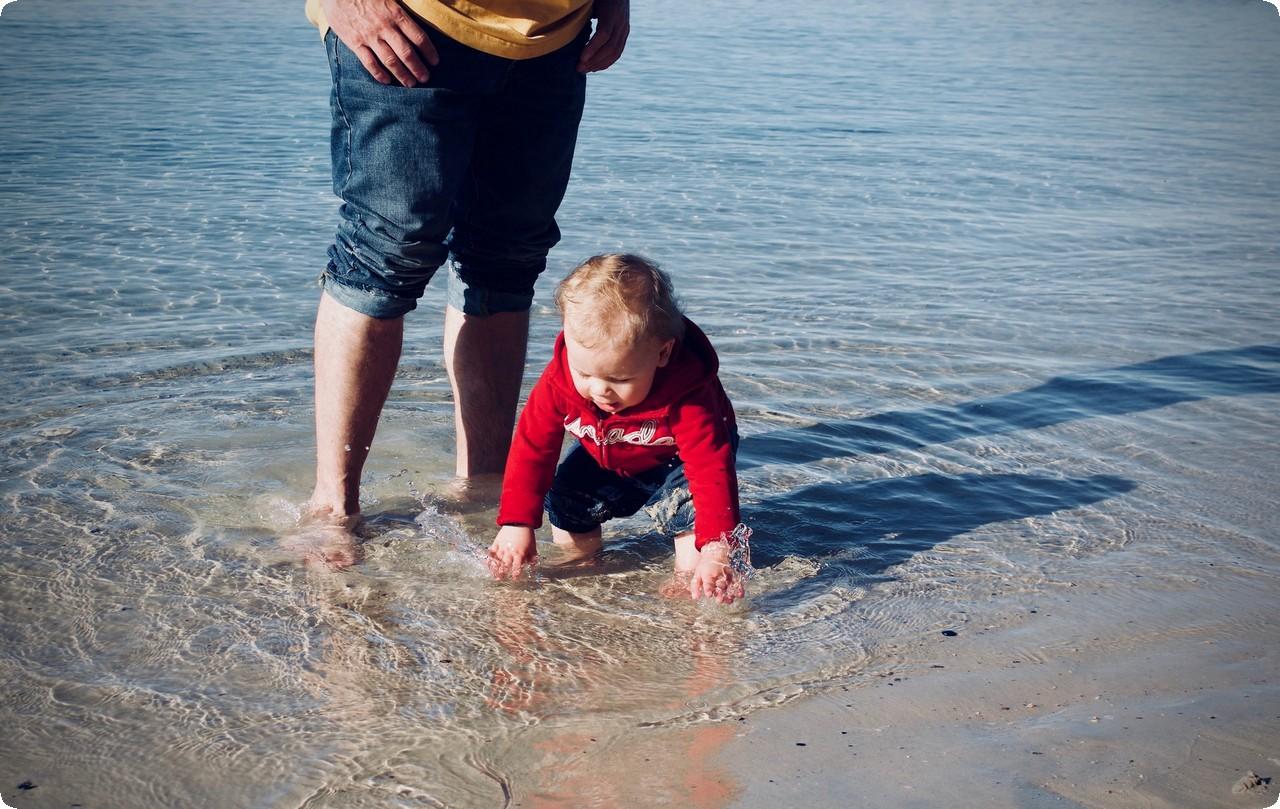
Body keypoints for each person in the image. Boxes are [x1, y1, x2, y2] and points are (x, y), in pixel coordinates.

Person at [298, 0, 631, 559]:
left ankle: (484, 491)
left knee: (506, 258)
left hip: (554, 36)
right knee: (386, 251)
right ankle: (334, 505)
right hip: (409, 22)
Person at [486, 254, 748, 603]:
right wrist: (516, 524)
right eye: (585, 373)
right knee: (567, 498)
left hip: (680, 457)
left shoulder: (688, 396)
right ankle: (585, 560)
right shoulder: (559, 382)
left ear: (663, 353)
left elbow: (709, 468)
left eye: (619, 378)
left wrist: (718, 549)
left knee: (690, 508)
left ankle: (692, 577)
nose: (599, 390)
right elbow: (533, 448)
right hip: (609, 446)